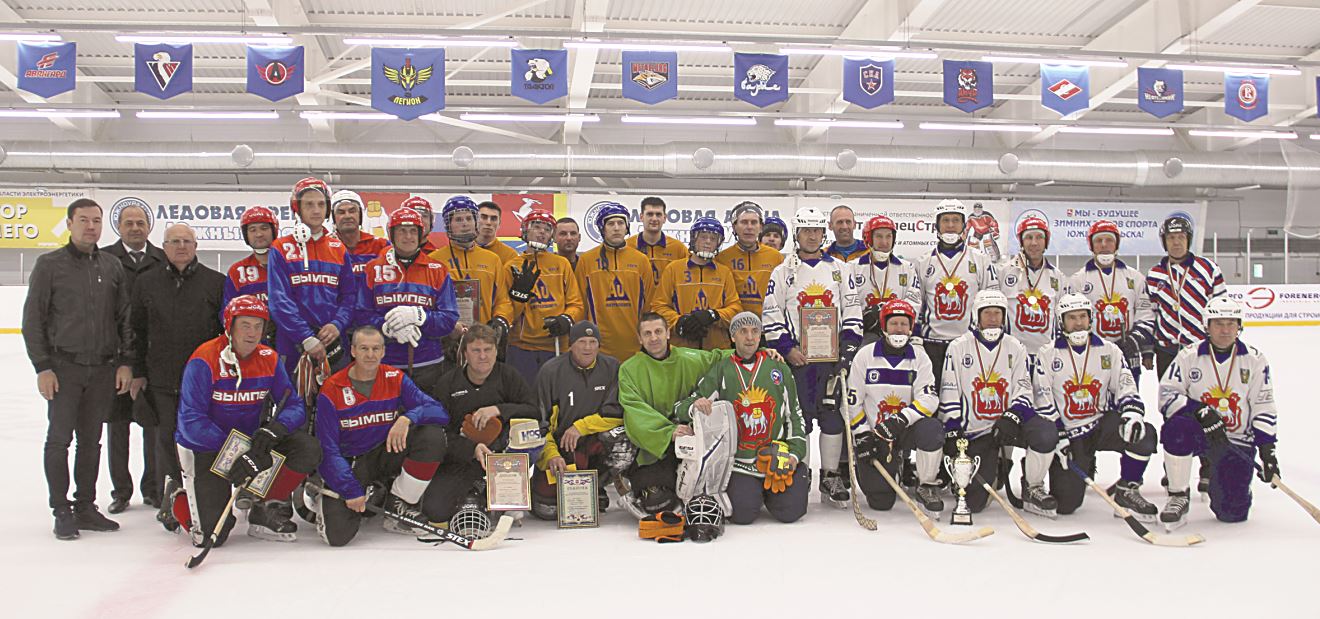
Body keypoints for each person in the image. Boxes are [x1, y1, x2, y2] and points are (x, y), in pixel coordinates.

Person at [24, 198, 135, 540]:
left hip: (101, 369)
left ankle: (85, 506)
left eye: (96, 220)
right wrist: (43, 366)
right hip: (64, 367)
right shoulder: (49, 265)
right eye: (84, 220)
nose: (91, 226)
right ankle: (61, 509)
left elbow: (124, 318)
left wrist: (125, 362)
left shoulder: (111, 265)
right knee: (59, 439)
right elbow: (33, 321)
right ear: (69, 223)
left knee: (91, 441)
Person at [174, 295, 320, 545]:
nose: (252, 333)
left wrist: (272, 432)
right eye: (245, 325)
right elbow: (191, 422)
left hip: (252, 443)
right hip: (207, 447)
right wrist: (236, 450)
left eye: (258, 326)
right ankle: (175, 499)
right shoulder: (204, 359)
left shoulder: (269, 358)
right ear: (229, 325)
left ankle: (263, 508)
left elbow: (293, 405)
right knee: (212, 536)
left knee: (307, 448)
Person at [311, 326, 450, 546]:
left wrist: (407, 418)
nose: (370, 355)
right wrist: (350, 490)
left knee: (432, 436)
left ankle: (399, 503)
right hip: (353, 460)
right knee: (337, 537)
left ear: (384, 351)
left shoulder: (394, 377)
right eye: (364, 349)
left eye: (376, 349)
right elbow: (327, 448)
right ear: (353, 351)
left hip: (386, 451)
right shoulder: (332, 388)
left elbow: (439, 411)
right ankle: (326, 496)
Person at [762, 206, 863, 508]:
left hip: (829, 361)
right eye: (806, 231)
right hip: (799, 361)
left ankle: (830, 476)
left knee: (832, 417)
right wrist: (787, 348)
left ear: (824, 233)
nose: (812, 236)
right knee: (800, 419)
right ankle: (801, 471)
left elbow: (853, 311)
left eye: (817, 231)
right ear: (797, 234)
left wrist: (846, 349)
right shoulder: (783, 271)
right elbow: (771, 313)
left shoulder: (840, 269)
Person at [128, 223, 226, 530]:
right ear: (164, 247)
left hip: (204, 381)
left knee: (203, 438)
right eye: (174, 242)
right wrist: (137, 371)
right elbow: (136, 330)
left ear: (196, 246)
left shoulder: (216, 282)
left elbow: (224, 334)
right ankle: (170, 496)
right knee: (167, 438)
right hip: (162, 377)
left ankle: (205, 493)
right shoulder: (146, 282)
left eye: (186, 241)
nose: (181, 246)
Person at [1033, 293, 1158, 520]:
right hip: (1070, 436)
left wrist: (1131, 413)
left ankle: (1127, 489)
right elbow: (1042, 397)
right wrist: (1058, 434)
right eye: (1071, 317)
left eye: (1083, 316)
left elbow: (1125, 385)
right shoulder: (1047, 353)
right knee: (1066, 505)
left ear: (1091, 319)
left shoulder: (1109, 350)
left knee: (1144, 434)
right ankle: (1032, 476)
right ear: (1061, 321)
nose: (1078, 322)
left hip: (1099, 425)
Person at [1157, 297, 1279, 527]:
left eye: (1231, 323)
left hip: (1235, 440)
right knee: (1175, 428)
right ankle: (1178, 496)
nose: (1225, 330)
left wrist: (1267, 450)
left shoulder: (1254, 360)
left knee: (1233, 513)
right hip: (1198, 433)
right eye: (1219, 324)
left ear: (1239, 326)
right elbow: (1166, 396)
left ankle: (1222, 477)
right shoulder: (1188, 356)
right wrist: (1198, 410)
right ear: (1207, 326)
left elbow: (1263, 405)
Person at [677, 312, 807, 525]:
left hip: (776, 456)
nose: (749, 337)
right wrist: (694, 406)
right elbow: (682, 406)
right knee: (742, 515)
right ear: (732, 337)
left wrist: (794, 455)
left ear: (760, 335)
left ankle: (787, 486)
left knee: (791, 512)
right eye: (743, 331)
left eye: (755, 331)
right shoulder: (722, 370)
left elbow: (795, 415)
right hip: (740, 463)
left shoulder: (779, 368)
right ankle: (755, 493)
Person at [938, 290, 1054, 515]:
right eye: (987, 313)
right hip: (976, 431)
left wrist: (1011, 417)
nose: (993, 318)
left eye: (998, 313)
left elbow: (1024, 391)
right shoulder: (958, 347)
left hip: (1008, 425)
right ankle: (988, 467)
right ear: (976, 315)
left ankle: (1033, 486)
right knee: (975, 502)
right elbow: (949, 393)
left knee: (1045, 432)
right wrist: (953, 430)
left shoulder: (1015, 347)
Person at [618, 313, 738, 517]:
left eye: (658, 331)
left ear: (667, 334)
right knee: (658, 502)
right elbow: (634, 411)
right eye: (647, 334)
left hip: (691, 442)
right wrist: (669, 432)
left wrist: (762, 352)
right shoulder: (629, 369)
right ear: (639, 338)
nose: (653, 338)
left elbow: (722, 357)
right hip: (654, 448)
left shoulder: (689, 358)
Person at [422, 324, 539, 524]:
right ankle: (473, 491)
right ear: (465, 352)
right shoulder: (448, 383)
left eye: (488, 350)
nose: (482, 356)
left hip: (501, 457)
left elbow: (533, 411)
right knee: (435, 509)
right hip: (462, 455)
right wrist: (470, 448)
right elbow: (438, 430)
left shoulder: (508, 376)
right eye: (476, 350)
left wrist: (499, 409)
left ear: (496, 351)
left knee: (529, 428)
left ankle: (504, 494)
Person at [1146, 215, 1226, 495]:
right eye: (1170, 238)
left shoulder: (1209, 269)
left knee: (1205, 404)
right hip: (1167, 351)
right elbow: (1151, 314)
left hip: (1201, 350)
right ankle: (1175, 467)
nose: (1176, 242)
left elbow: (1221, 309)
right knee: (1172, 407)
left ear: (1188, 239)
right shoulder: (1155, 274)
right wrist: (1148, 349)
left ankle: (1207, 466)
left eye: (1180, 237)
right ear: (1164, 242)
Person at [846, 299, 944, 513]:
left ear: (910, 328)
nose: (899, 328)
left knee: (932, 429)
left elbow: (929, 399)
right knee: (880, 502)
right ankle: (894, 464)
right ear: (884, 326)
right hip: (875, 434)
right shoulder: (865, 355)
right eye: (894, 323)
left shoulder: (920, 357)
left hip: (904, 430)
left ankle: (927, 485)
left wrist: (901, 419)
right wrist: (862, 434)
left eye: (903, 324)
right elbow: (853, 401)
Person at [530, 321, 631, 520]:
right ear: (571, 345)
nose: (587, 347)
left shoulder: (612, 367)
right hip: (562, 446)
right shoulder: (551, 372)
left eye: (593, 341)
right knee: (547, 509)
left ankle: (598, 484)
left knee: (621, 441)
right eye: (581, 342)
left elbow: (617, 413)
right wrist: (550, 455)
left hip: (594, 441)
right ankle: (574, 488)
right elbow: (539, 422)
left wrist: (581, 427)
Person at [101, 201, 165, 514]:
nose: (135, 228)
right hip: (116, 360)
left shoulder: (161, 259)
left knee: (152, 426)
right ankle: (121, 491)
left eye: (140, 222)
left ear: (148, 227)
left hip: (153, 359)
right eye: (129, 223)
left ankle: (153, 488)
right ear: (119, 227)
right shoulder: (104, 259)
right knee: (118, 425)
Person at [354, 207, 459, 394]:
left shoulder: (437, 270)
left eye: (412, 231)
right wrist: (387, 328)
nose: (407, 236)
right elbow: (361, 314)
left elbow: (449, 319)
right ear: (391, 234)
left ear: (421, 234)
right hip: (383, 362)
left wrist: (420, 317)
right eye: (401, 230)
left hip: (429, 364)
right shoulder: (373, 269)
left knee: (427, 419)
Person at [267, 177, 356, 375]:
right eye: (309, 204)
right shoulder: (281, 248)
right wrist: (305, 337)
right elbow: (279, 300)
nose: (316, 210)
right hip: (293, 346)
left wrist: (337, 324)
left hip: (333, 344)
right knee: (293, 403)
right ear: (297, 208)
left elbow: (349, 296)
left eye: (321, 204)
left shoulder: (338, 248)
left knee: (335, 402)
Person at [914, 199, 1000, 388]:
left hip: (968, 343)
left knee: (967, 392)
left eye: (956, 220)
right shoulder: (922, 262)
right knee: (932, 394)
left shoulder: (981, 260)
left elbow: (991, 302)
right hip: (932, 344)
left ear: (964, 225)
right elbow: (916, 304)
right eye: (945, 220)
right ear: (937, 225)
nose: (951, 225)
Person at [492, 209, 585, 382]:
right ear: (525, 230)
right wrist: (518, 298)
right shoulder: (511, 267)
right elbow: (504, 309)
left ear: (552, 235)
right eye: (536, 226)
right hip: (521, 348)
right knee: (524, 399)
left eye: (547, 228)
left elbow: (576, 303)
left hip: (555, 344)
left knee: (556, 399)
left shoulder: (561, 264)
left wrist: (566, 319)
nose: (542, 231)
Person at [430, 196, 512, 374]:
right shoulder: (434, 260)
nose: (465, 224)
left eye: (469, 218)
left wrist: (500, 320)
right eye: (458, 219)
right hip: (446, 343)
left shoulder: (492, 259)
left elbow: (502, 300)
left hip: (483, 341)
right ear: (448, 224)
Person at [1067, 220, 1154, 385]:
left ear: (1117, 244)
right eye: (1098, 241)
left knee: (1130, 399)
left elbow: (1146, 315)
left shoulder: (1135, 278)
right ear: (1091, 245)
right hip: (1093, 353)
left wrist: (1135, 341)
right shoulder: (1078, 280)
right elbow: (1071, 319)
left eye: (1109, 240)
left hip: (1129, 352)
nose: (1104, 245)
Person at [651, 216, 742, 350]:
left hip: (716, 349)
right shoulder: (673, 269)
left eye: (713, 239)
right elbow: (658, 306)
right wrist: (680, 323)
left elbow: (735, 309)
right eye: (703, 237)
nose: (707, 242)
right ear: (694, 239)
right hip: (681, 349)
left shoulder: (724, 272)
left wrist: (714, 315)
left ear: (718, 243)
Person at [576, 202, 652, 361]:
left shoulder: (641, 260)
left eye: (620, 223)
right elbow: (580, 305)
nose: (616, 228)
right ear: (602, 228)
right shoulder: (586, 261)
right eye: (610, 223)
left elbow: (649, 304)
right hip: (598, 347)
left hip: (635, 347)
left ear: (627, 227)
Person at [999, 216, 1065, 365]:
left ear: (1046, 242)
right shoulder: (1003, 273)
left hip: (1047, 356)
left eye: (1039, 237)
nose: (1034, 243)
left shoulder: (1058, 277)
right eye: (1028, 237)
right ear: (1021, 242)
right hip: (1012, 355)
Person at [854, 215, 922, 343]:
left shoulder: (907, 268)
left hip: (899, 335)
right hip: (863, 335)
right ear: (869, 238)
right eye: (879, 236)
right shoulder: (852, 268)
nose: (884, 242)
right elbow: (848, 305)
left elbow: (914, 303)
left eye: (888, 236)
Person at [715, 201, 784, 317]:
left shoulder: (776, 257)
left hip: (768, 327)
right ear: (734, 226)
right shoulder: (722, 258)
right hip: (733, 328)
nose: (749, 227)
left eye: (754, 222)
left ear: (761, 227)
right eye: (744, 222)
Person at [332, 190, 391, 291]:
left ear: (361, 215)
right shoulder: (327, 248)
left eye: (352, 211)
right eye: (341, 212)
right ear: (333, 217)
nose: (347, 216)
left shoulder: (381, 246)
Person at [224, 205, 278, 309]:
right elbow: (228, 311)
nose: (259, 234)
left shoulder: (290, 266)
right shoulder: (237, 272)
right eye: (252, 230)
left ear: (273, 230)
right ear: (246, 235)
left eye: (264, 228)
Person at [628, 196, 689, 287]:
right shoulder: (628, 246)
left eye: (658, 214)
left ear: (664, 218)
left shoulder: (678, 248)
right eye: (649, 214)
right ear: (641, 217)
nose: (654, 219)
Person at [476, 200, 519, 265]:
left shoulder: (510, 255)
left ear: (499, 223)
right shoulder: (462, 250)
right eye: (484, 217)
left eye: (493, 219)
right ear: (474, 220)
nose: (488, 222)